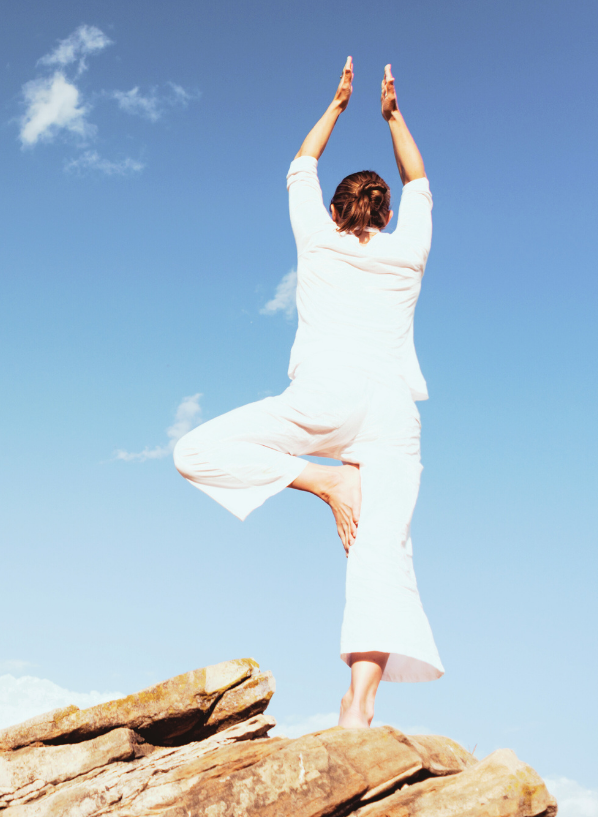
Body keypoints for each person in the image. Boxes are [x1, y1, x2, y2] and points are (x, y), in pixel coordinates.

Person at [173, 58, 443, 729]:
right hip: (390, 414)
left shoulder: (318, 242)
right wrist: (393, 117)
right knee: (383, 554)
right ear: (385, 213)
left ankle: (321, 484)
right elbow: (420, 181)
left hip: (326, 399)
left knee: (197, 450)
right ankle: (360, 704)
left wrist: (337, 104)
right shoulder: (408, 251)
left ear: (334, 210)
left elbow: (300, 164)